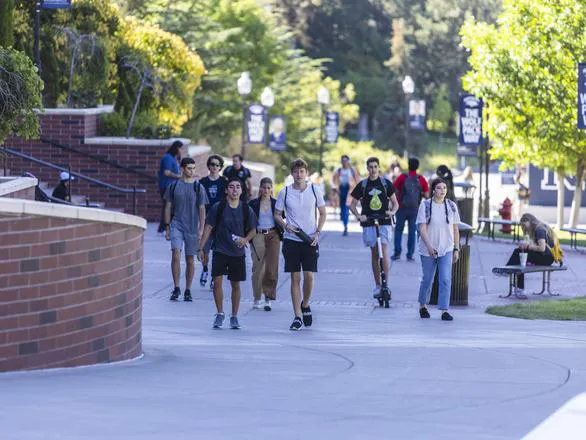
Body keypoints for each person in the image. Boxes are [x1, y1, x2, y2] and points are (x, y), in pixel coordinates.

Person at [198, 178, 257, 329]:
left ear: (242, 190)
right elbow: (208, 228)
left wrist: (245, 240)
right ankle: (219, 313)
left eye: (238, 187)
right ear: (226, 190)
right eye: (231, 187)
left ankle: (234, 316)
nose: (235, 190)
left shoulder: (246, 209)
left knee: (235, 285)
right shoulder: (218, 207)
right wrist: (201, 248)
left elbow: (253, 230)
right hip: (220, 250)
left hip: (237, 253)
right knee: (217, 282)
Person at [275, 158, 326, 331]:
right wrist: (285, 225)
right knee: (295, 278)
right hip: (291, 240)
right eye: (296, 171)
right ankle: (297, 316)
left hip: (310, 239)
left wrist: (318, 232)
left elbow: (322, 213)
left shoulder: (314, 190)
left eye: (302, 171)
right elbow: (277, 214)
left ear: (306, 173)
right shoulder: (285, 192)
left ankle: (305, 304)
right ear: (292, 173)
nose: (299, 174)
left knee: (309, 276)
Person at [349, 157, 399, 296]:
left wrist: (392, 212)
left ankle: (386, 285)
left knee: (384, 251)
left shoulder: (385, 183)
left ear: (379, 168)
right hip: (369, 222)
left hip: (384, 222)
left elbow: (396, 203)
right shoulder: (363, 185)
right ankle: (378, 285)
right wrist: (359, 216)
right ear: (367, 168)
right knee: (375, 254)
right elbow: (352, 205)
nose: (373, 169)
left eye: (375, 166)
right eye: (370, 167)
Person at [416, 178, 460, 321]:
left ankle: (444, 310)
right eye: (439, 188)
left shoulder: (452, 206)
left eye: (444, 188)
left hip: (446, 248)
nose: (442, 190)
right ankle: (423, 306)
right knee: (427, 279)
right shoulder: (425, 205)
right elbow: (422, 228)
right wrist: (429, 246)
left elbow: (455, 228)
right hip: (428, 248)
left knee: (446, 279)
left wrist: (456, 248)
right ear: (433, 190)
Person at [164, 157, 208, 302]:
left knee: (190, 260)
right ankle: (176, 288)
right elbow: (168, 206)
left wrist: (201, 229)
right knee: (175, 254)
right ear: (182, 169)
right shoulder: (174, 186)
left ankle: (188, 289)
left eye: (193, 168)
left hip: (192, 228)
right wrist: (168, 227)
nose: (192, 171)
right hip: (177, 224)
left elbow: (202, 210)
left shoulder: (198, 187)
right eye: (189, 168)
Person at [249, 177, 283, 311]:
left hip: (273, 235)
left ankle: (268, 297)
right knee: (257, 268)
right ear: (260, 188)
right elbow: (248, 220)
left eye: (269, 188)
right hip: (257, 234)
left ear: (272, 189)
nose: (266, 190)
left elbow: (283, 218)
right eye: (264, 187)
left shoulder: (276, 203)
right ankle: (257, 297)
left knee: (272, 267)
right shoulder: (253, 204)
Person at [503, 213, 556, 296]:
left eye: (524, 225)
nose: (524, 228)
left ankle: (507, 271)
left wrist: (527, 246)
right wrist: (526, 245)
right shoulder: (540, 227)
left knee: (519, 253)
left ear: (529, 221)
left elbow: (542, 248)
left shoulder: (539, 230)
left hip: (546, 258)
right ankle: (519, 287)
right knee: (520, 257)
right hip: (545, 257)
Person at [199, 155, 228, 289]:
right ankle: (205, 269)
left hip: (220, 220)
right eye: (212, 164)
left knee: (218, 251)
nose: (214, 167)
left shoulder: (224, 182)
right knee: (205, 249)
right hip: (207, 219)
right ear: (208, 166)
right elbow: (198, 202)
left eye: (217, 165)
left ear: (220, 167)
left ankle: (213, 276)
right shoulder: (203, 182)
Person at [392, 157, 429, 261]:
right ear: (417, 167)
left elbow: (393, 189)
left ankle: (397, 252)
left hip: (401, 207)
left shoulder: (402, 177)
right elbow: (427, 195)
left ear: (408, 165)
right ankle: (410, 254)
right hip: (414, 209)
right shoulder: (421, 179)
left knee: (398, 230)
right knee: (412, 231)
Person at [158, 141, 183, 233]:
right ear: (176, 148)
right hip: (166, 186)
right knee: (168, 207)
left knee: (171, 207)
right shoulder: (167, 158)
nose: (181, 150)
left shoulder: (173, 158)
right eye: (180, 148)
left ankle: (165, 227)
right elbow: (166, 172)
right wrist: (178, 176)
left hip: (172, 187)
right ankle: (163, 228)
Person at [332, 155, 360, 236]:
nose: (344, 162)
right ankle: (344, 222)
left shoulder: (352, 170)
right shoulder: (338, 170)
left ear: (348, 161)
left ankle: (345, 226)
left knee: (346, 208)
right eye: (342, 160)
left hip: (350, 191)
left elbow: (357, 180)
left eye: (345, 160)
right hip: (341, 191)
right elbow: (333, 181)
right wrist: (335, 189)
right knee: (342, 209)